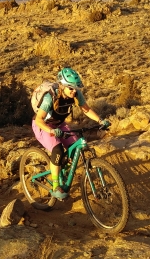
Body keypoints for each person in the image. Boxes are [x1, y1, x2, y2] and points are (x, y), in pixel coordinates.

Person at [32, 67, 110, 199]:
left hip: (60, 125)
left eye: (76, 88)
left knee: (74, 149)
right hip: (44, 126)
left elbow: (86, 110)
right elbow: (39, 120)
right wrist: (51, 131)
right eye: (71, 88)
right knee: (58, 151)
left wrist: (100, 120)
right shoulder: (50, 97)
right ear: (62, 86)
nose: (74, 91)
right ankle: (56, 185)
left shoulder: (76, 94)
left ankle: (63, 169)